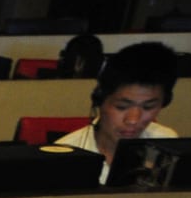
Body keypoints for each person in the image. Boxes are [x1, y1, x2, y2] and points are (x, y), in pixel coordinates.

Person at [55, 41, 181, 184]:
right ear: (100, 101)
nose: (133, 120)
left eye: (148, 107)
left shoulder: (166, 142)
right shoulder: (67, 154)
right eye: (121, 107)